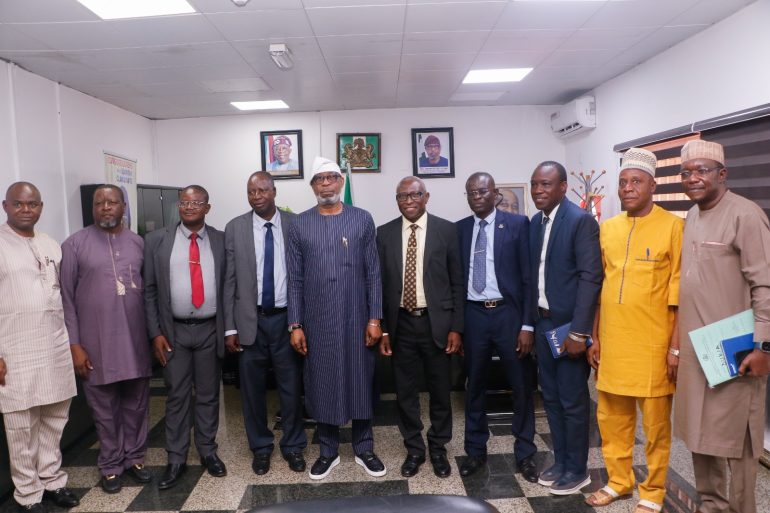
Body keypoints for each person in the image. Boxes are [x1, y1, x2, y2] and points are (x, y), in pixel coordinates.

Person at [674, 140, 770, 513]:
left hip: (736, 350)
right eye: (686, 172)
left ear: (722, 174)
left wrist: (763, 347)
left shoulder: (746, 215)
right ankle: (712, 504)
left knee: (739, 440)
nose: (692, 178)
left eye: (702, 170)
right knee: (701, 433)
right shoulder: (692, 214)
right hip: (698, 350)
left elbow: (765, 285)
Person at [585, 148, 683, 513]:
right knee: (612, 420)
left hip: (653, 344)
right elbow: (600, 288)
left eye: (636, 181)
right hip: (613, 341)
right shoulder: (608, 229)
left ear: (653, 186)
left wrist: (675, 348)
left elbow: (680, 296)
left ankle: (653, 492)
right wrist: (595, 337)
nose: (628, 188)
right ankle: (619, 482)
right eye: (623, 182)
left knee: (656, 427)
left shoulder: (674, 227)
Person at [287, 156, 385, 480]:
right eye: (320, 179)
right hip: (318, 321)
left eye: (331, 177)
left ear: (341, 182)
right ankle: (328, 451)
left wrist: (375, 318)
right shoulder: (299, 224)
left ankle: (364, 447)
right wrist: (295, 324)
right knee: (322, 381)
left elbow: (373, 273)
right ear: (312, 186)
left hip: (357, 318)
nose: (326, 183)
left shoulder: (362, 219)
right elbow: (295, 279)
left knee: (360, 380)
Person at [61, 184, 152, 494]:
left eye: (112, 202)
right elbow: (66, 300)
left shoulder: (138, 243)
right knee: (104, 409)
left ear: (124, 206)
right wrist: (74, 345)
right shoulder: (74, 244)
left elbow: (149, 293)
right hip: (95, 343)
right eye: (99, 203)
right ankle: (111, 465)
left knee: (136, 405)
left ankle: (135, 458)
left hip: (135, 341)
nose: (105, 207)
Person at [376, 177, 464, 479]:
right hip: (400, 324)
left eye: (414, 195)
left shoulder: (447, 230)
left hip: (436, 324)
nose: (409, 200)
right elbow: (380, 286)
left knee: (440, 390)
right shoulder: (384, 233)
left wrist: (456, 327)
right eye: (402, 196)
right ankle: (414, 448)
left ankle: (438, 447)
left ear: (426, 197)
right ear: (397, 200)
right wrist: (383, 329)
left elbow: (457, 282)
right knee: (405, 392)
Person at [0, 182, 79, 513]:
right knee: (21, 425)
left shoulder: (50, 244)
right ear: (5, 206)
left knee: (55, 417)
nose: (25, 209)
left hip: (54, 344)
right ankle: (28, 493)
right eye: (18, 204)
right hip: (13, 348)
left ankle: (52, 480)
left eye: (32, 204)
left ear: (41, 207)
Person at [143, 185, 227, 490]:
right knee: (176, 395)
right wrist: (155, 333)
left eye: (196, 202)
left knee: (208, 394)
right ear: (178, 207)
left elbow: (229, 286)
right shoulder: (156, 240)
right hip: (173, 331)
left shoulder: (220, 240)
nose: (189, 207)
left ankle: (207, 451)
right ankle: (176, 458)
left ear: (207, 207)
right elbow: (149, 291)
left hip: (209, 329)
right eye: (184, 203)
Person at [456, 172, 538, 483]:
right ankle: (475, 451)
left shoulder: (517, 225)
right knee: (474, 385)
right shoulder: (460, 230)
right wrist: (458, 327)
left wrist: (527, 324)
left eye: (482, 191)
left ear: (495, 194)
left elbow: (528, 278)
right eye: (471, 192)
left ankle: (525, 453)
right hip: (474, 315)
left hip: (508, 315)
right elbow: (455, 280)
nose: (477, 196)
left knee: (521, 386)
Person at [223, 171, 306, 476]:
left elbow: (304, 275)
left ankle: (293, 445)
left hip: (286, 321)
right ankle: (260, 447)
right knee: (252, 390)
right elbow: (229, 281)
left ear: (274, 191)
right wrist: (230, 327)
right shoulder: (235, 227)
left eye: (262, 190)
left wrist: (301, 322)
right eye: (251, 191)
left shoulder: (296, 223)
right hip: (250, 322)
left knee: (291, 387)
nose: (256, 196)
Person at [529, 162, 602, 495]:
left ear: (562, 186)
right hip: (543, 323)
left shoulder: (580, 220)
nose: (538, 190)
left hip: (569, 328)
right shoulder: (536, 222)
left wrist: (579, 332)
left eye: (546, 184)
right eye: (535, 184)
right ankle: (560, 462)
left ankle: (578, 469)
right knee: (552, 398)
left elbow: (591, 277)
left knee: (573, 401)